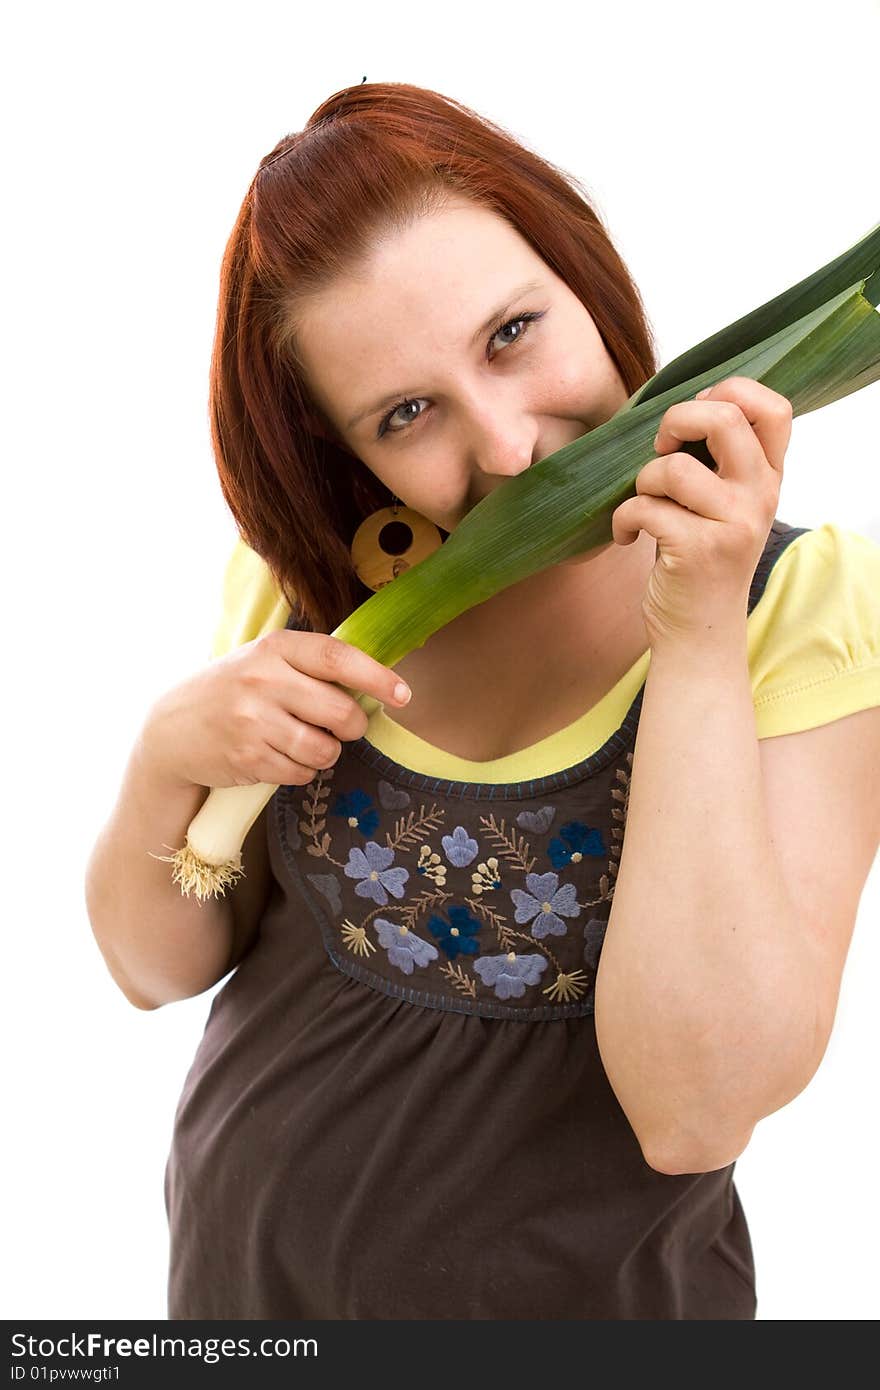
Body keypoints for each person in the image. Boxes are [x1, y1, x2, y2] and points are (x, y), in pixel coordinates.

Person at [85, 81, 880, 1321]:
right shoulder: (317, 587)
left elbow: (692, 1110)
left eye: (513, 333)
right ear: (346, 450)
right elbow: (153, 967)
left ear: (582, 270)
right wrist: (162, 756)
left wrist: (698, 632)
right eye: (407, 413)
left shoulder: (804, 604)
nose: (508, 448)